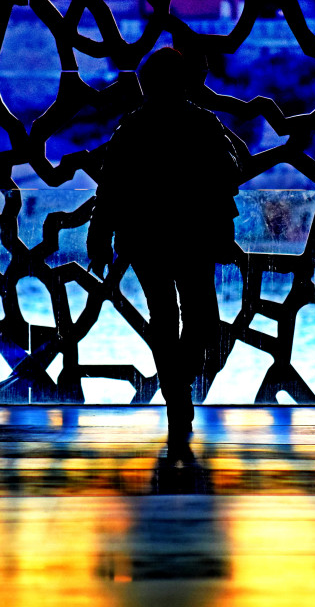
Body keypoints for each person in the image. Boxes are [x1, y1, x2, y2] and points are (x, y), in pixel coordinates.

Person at [86, 47, 242, 438]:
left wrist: (99, 238)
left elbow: (109, 189)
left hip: (144, 237)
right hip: (194, 234)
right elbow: (229, 174)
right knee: (203, 320)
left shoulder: (130, 128)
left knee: (163, 316)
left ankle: (174, 393)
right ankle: (180, 388)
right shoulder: (204, 123)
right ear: (183, 82)